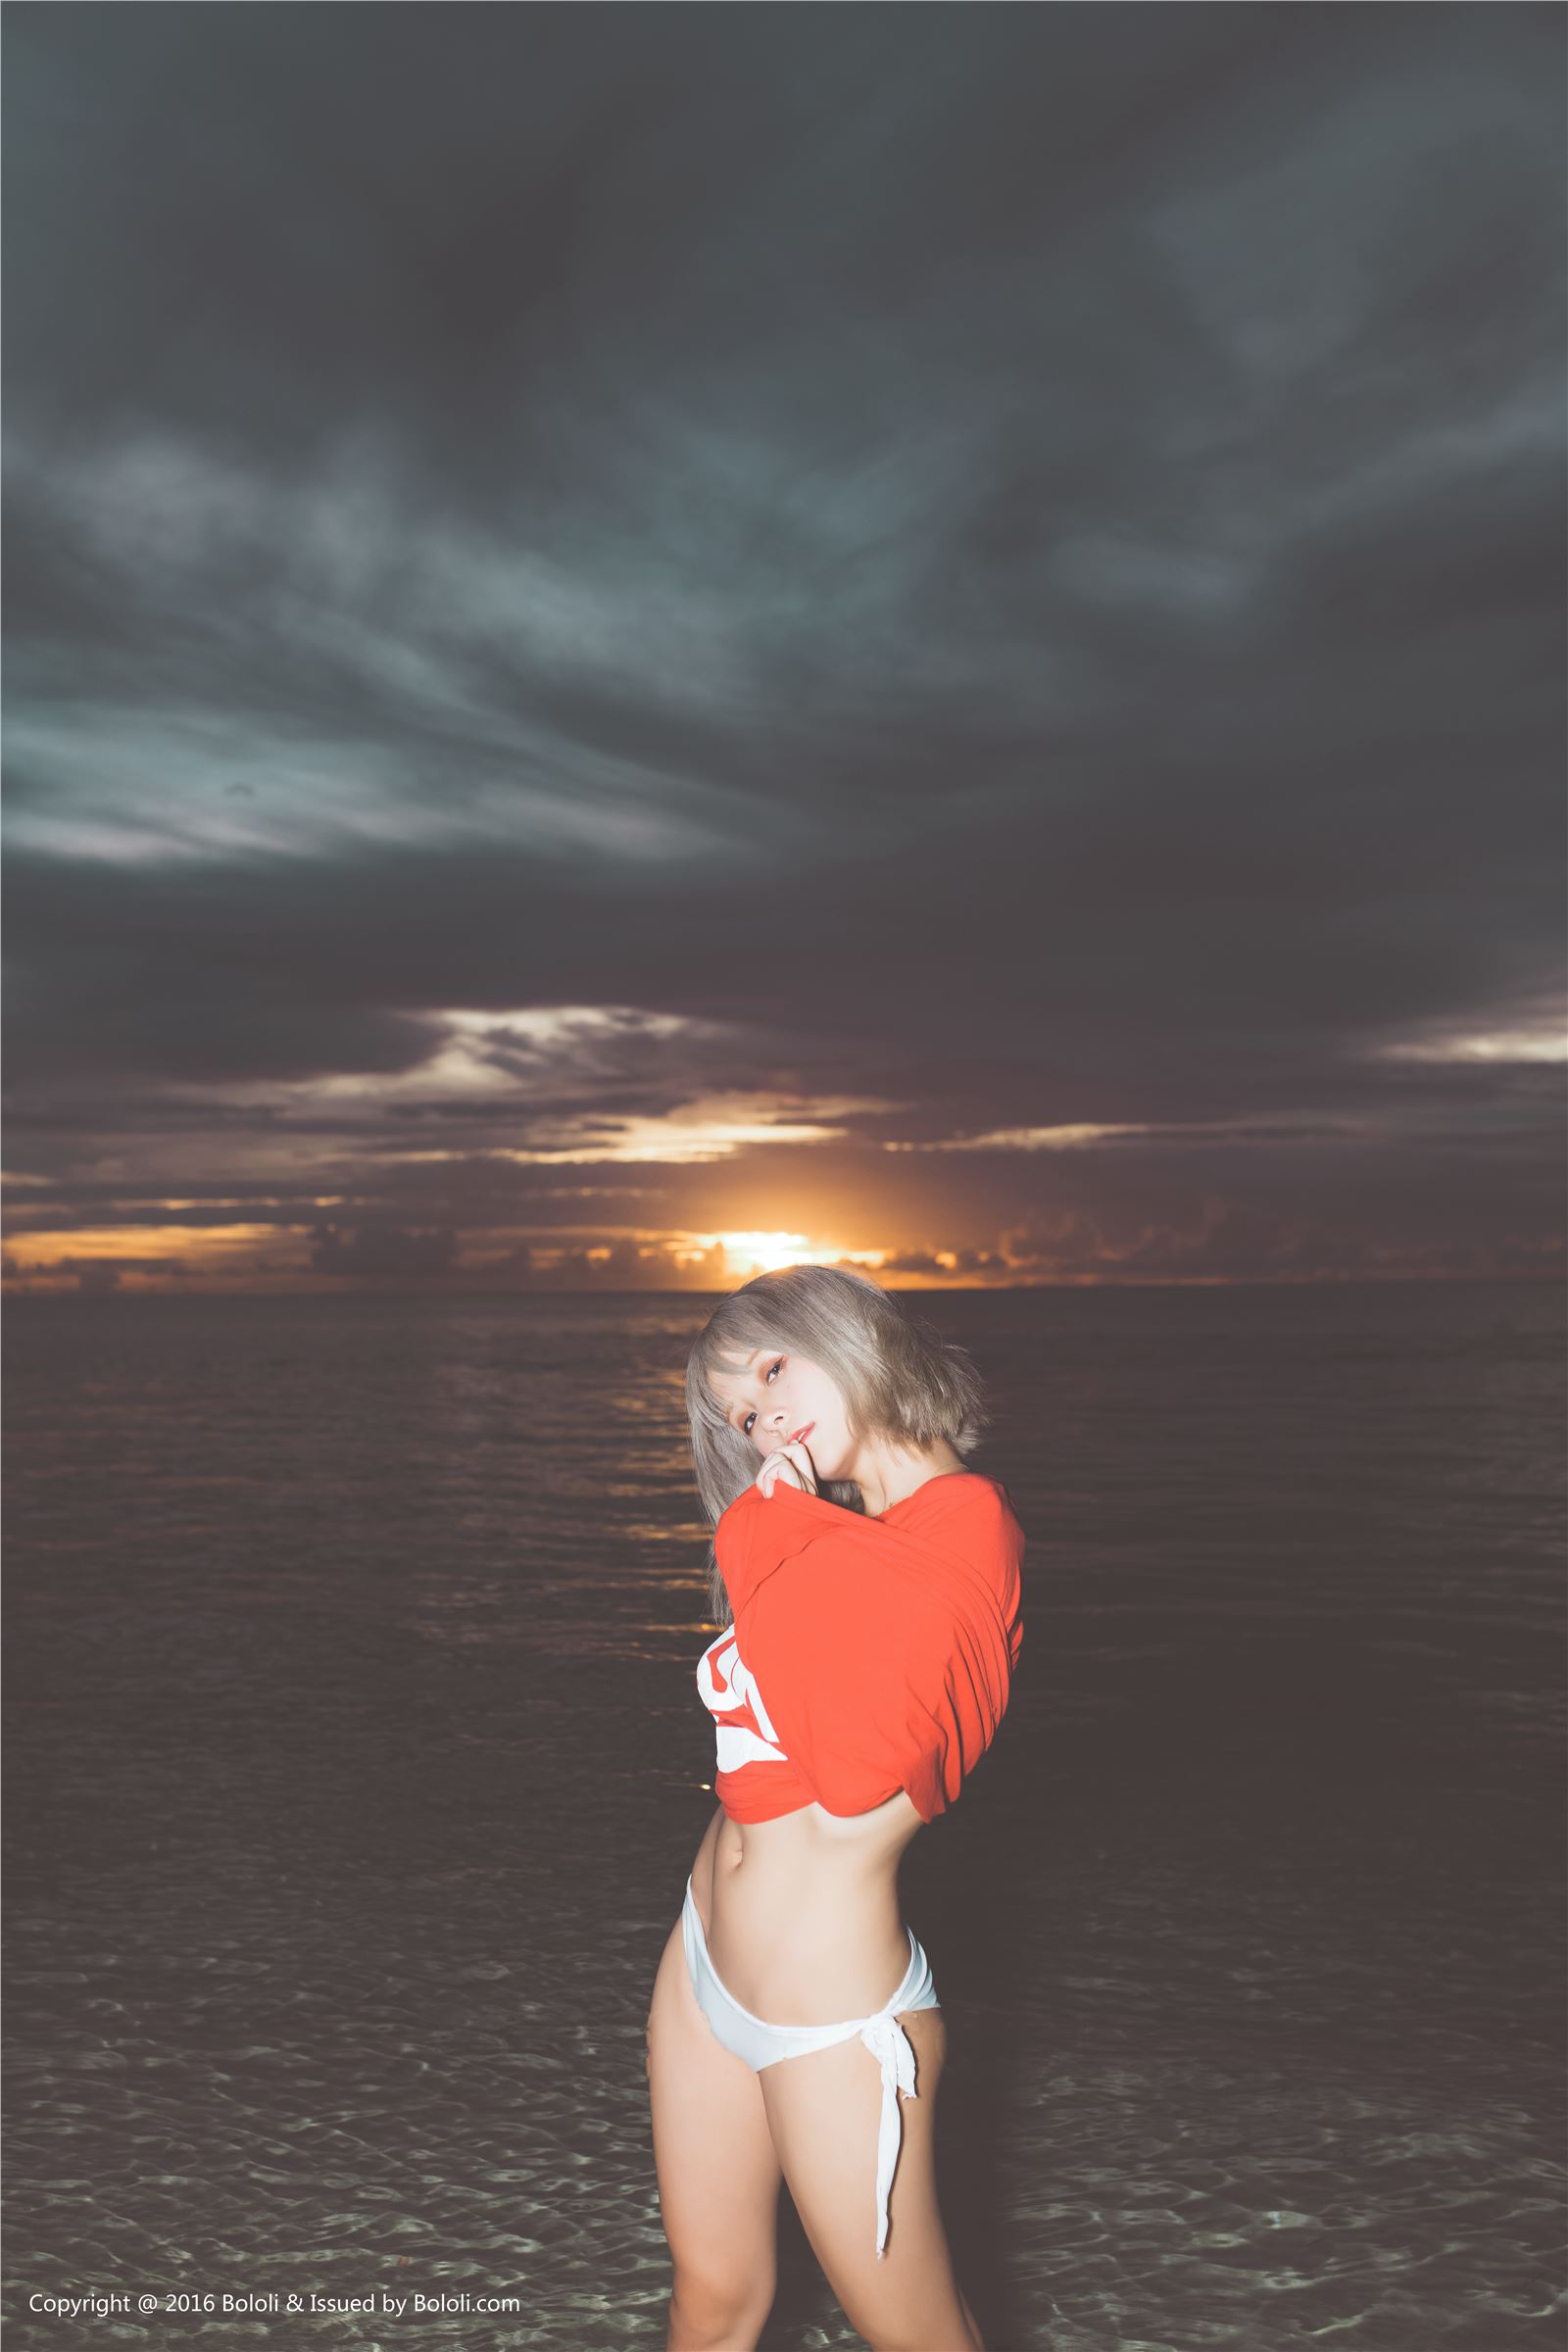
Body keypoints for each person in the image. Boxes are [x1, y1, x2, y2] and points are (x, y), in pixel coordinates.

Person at [645, 1264, 1026, 2352]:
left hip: (830, 2010)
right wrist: (780, 1527)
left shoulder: (970, 1526)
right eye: (741, 1416)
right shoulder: (824, 1535)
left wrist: (765, 1527)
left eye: (771, 1371)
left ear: (852, 1334)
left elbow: (861, 1767)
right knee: (712, 2302)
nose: (764, 1422)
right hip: (704, 1949)